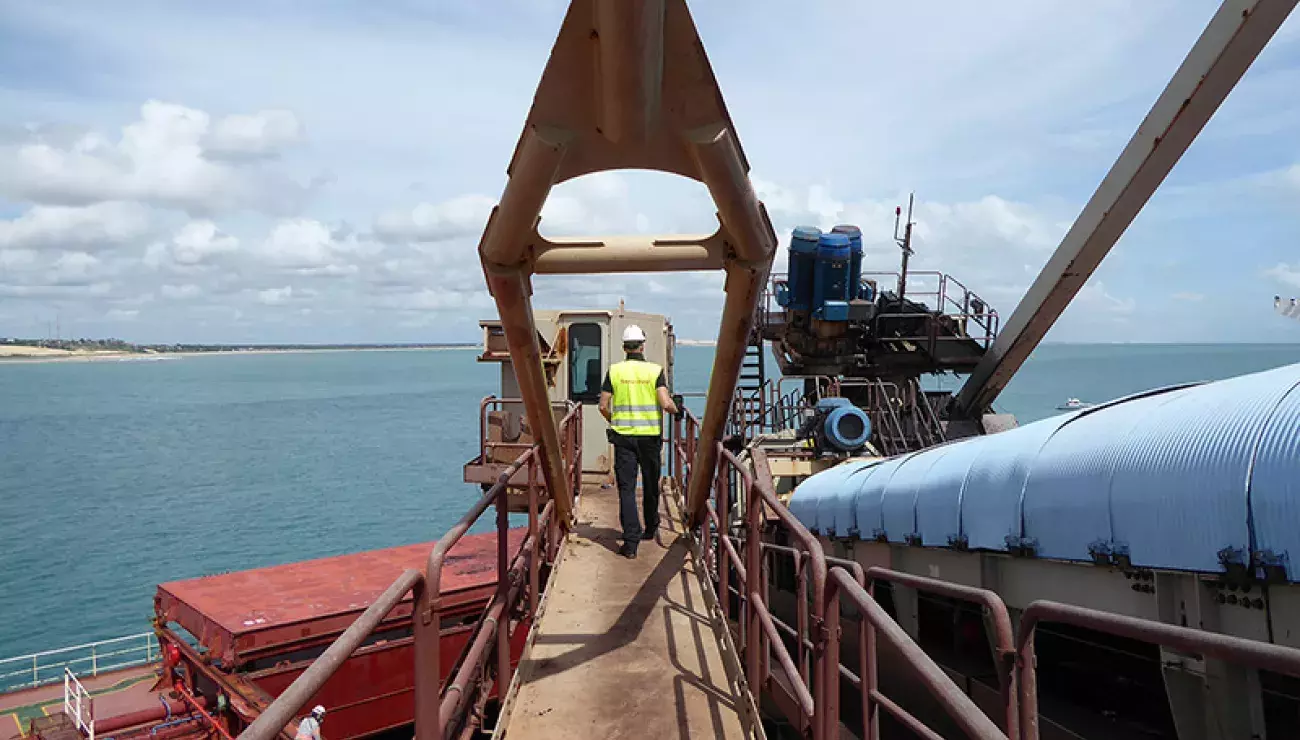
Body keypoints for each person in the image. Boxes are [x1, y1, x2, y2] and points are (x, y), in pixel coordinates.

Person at [599, 324, 679, 559]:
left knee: (627, 489)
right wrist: (677, 410)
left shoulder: (614, 371)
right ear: (642, 346)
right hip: (650, 439)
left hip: (623, 438)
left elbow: (603, 405)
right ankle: (651, 528)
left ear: (625, 347)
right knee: (651, 485)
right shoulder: (655, 371)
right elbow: (665, 403)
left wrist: (614, 420)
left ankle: (630, 543)